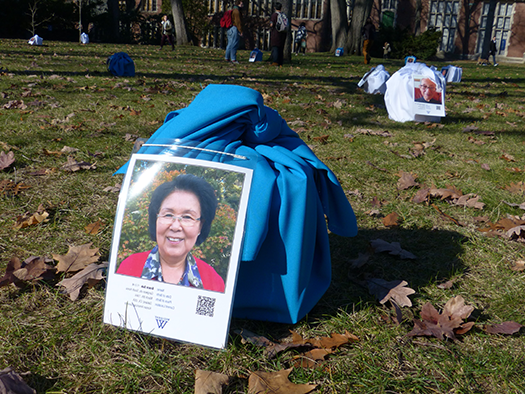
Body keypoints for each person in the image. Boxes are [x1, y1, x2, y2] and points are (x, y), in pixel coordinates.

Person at [117, 174, 225, 292]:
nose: (175, 226)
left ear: (200, 226)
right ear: (156, 219)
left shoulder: (213, 282)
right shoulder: (129, 267)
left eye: (187, 217)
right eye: (168, 215)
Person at [225, 0, 244, 64]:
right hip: (234, 28)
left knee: (230, 43)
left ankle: (227, 57)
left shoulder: (233, 10)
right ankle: (233, 59)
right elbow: (238, 22)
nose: (242, 5)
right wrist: (240, 31)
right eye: (241, 3)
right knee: (234, 44)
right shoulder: (237, 12)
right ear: (238, 3)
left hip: (229, 28)